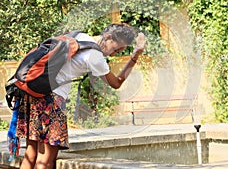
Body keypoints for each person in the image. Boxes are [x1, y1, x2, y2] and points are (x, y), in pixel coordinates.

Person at [16, 23, 146, 169]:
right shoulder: (94, 56)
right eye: (116, 49)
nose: (114, 54)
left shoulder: (78, 36)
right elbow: (116, 83)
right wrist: (135, 56)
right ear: (108, 37)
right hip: (52, 101)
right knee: (45, 161)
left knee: (31, 154)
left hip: (33, 94)